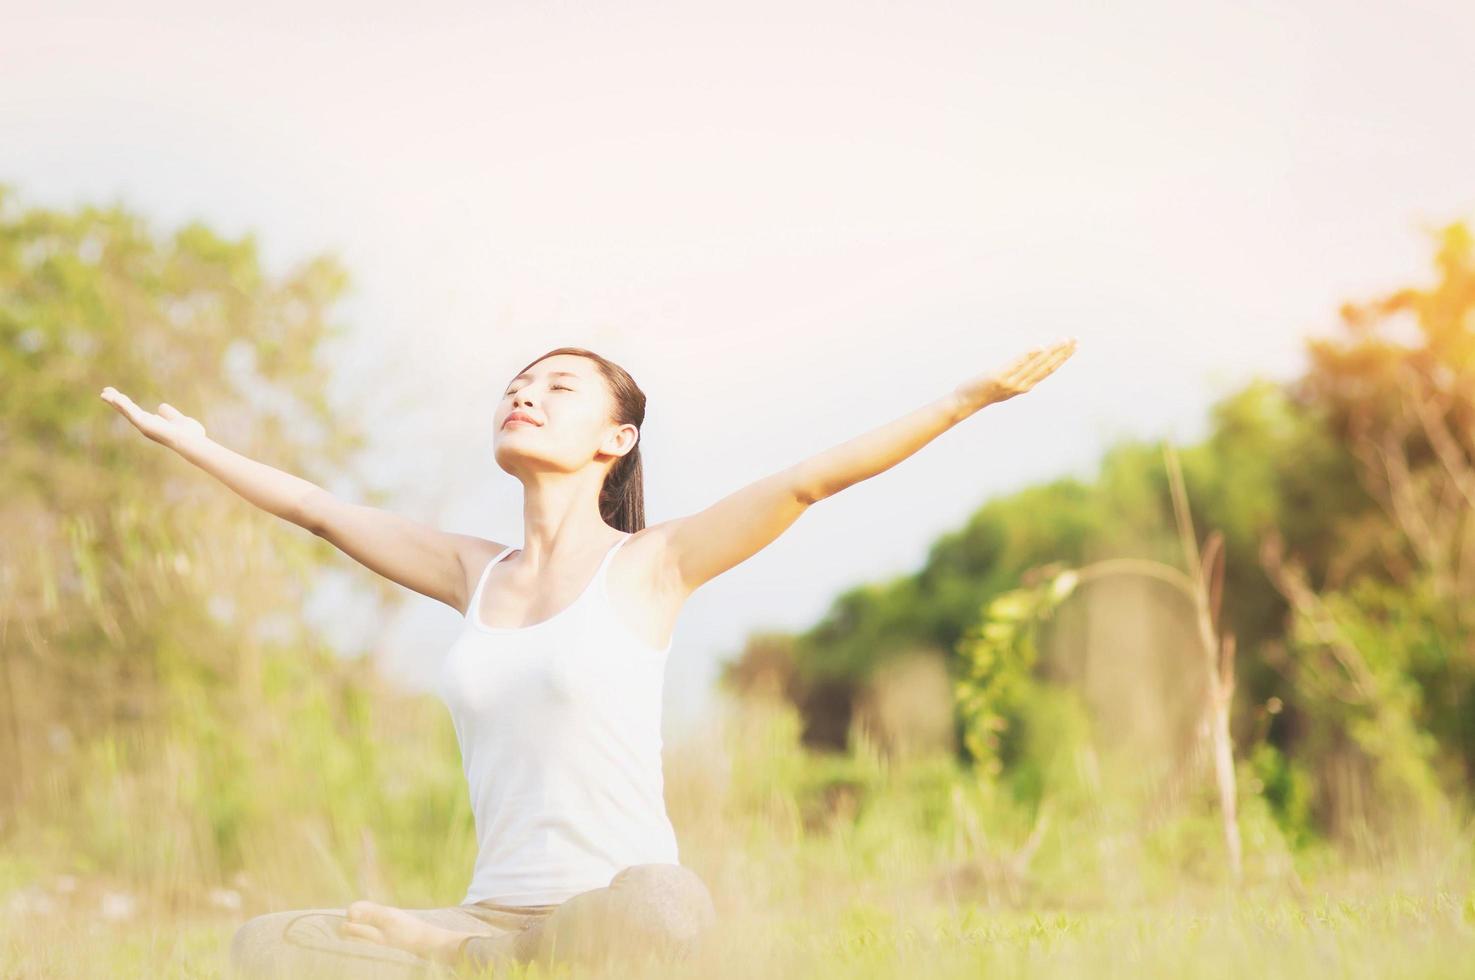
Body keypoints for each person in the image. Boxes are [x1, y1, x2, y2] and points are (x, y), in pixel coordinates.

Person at [100, 338, 1076, 976]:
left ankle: (463, 959)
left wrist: (961, 398)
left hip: (610, 922)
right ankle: (467, 952)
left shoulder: (650, 566)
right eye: (516, 386)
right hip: (483, 914)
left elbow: (808, 481)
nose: (523, 393)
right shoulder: (470, 573)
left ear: (617, 436)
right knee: (266, 945)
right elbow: (317, 509)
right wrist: (193, 444)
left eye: (555, 386)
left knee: (666, 899)